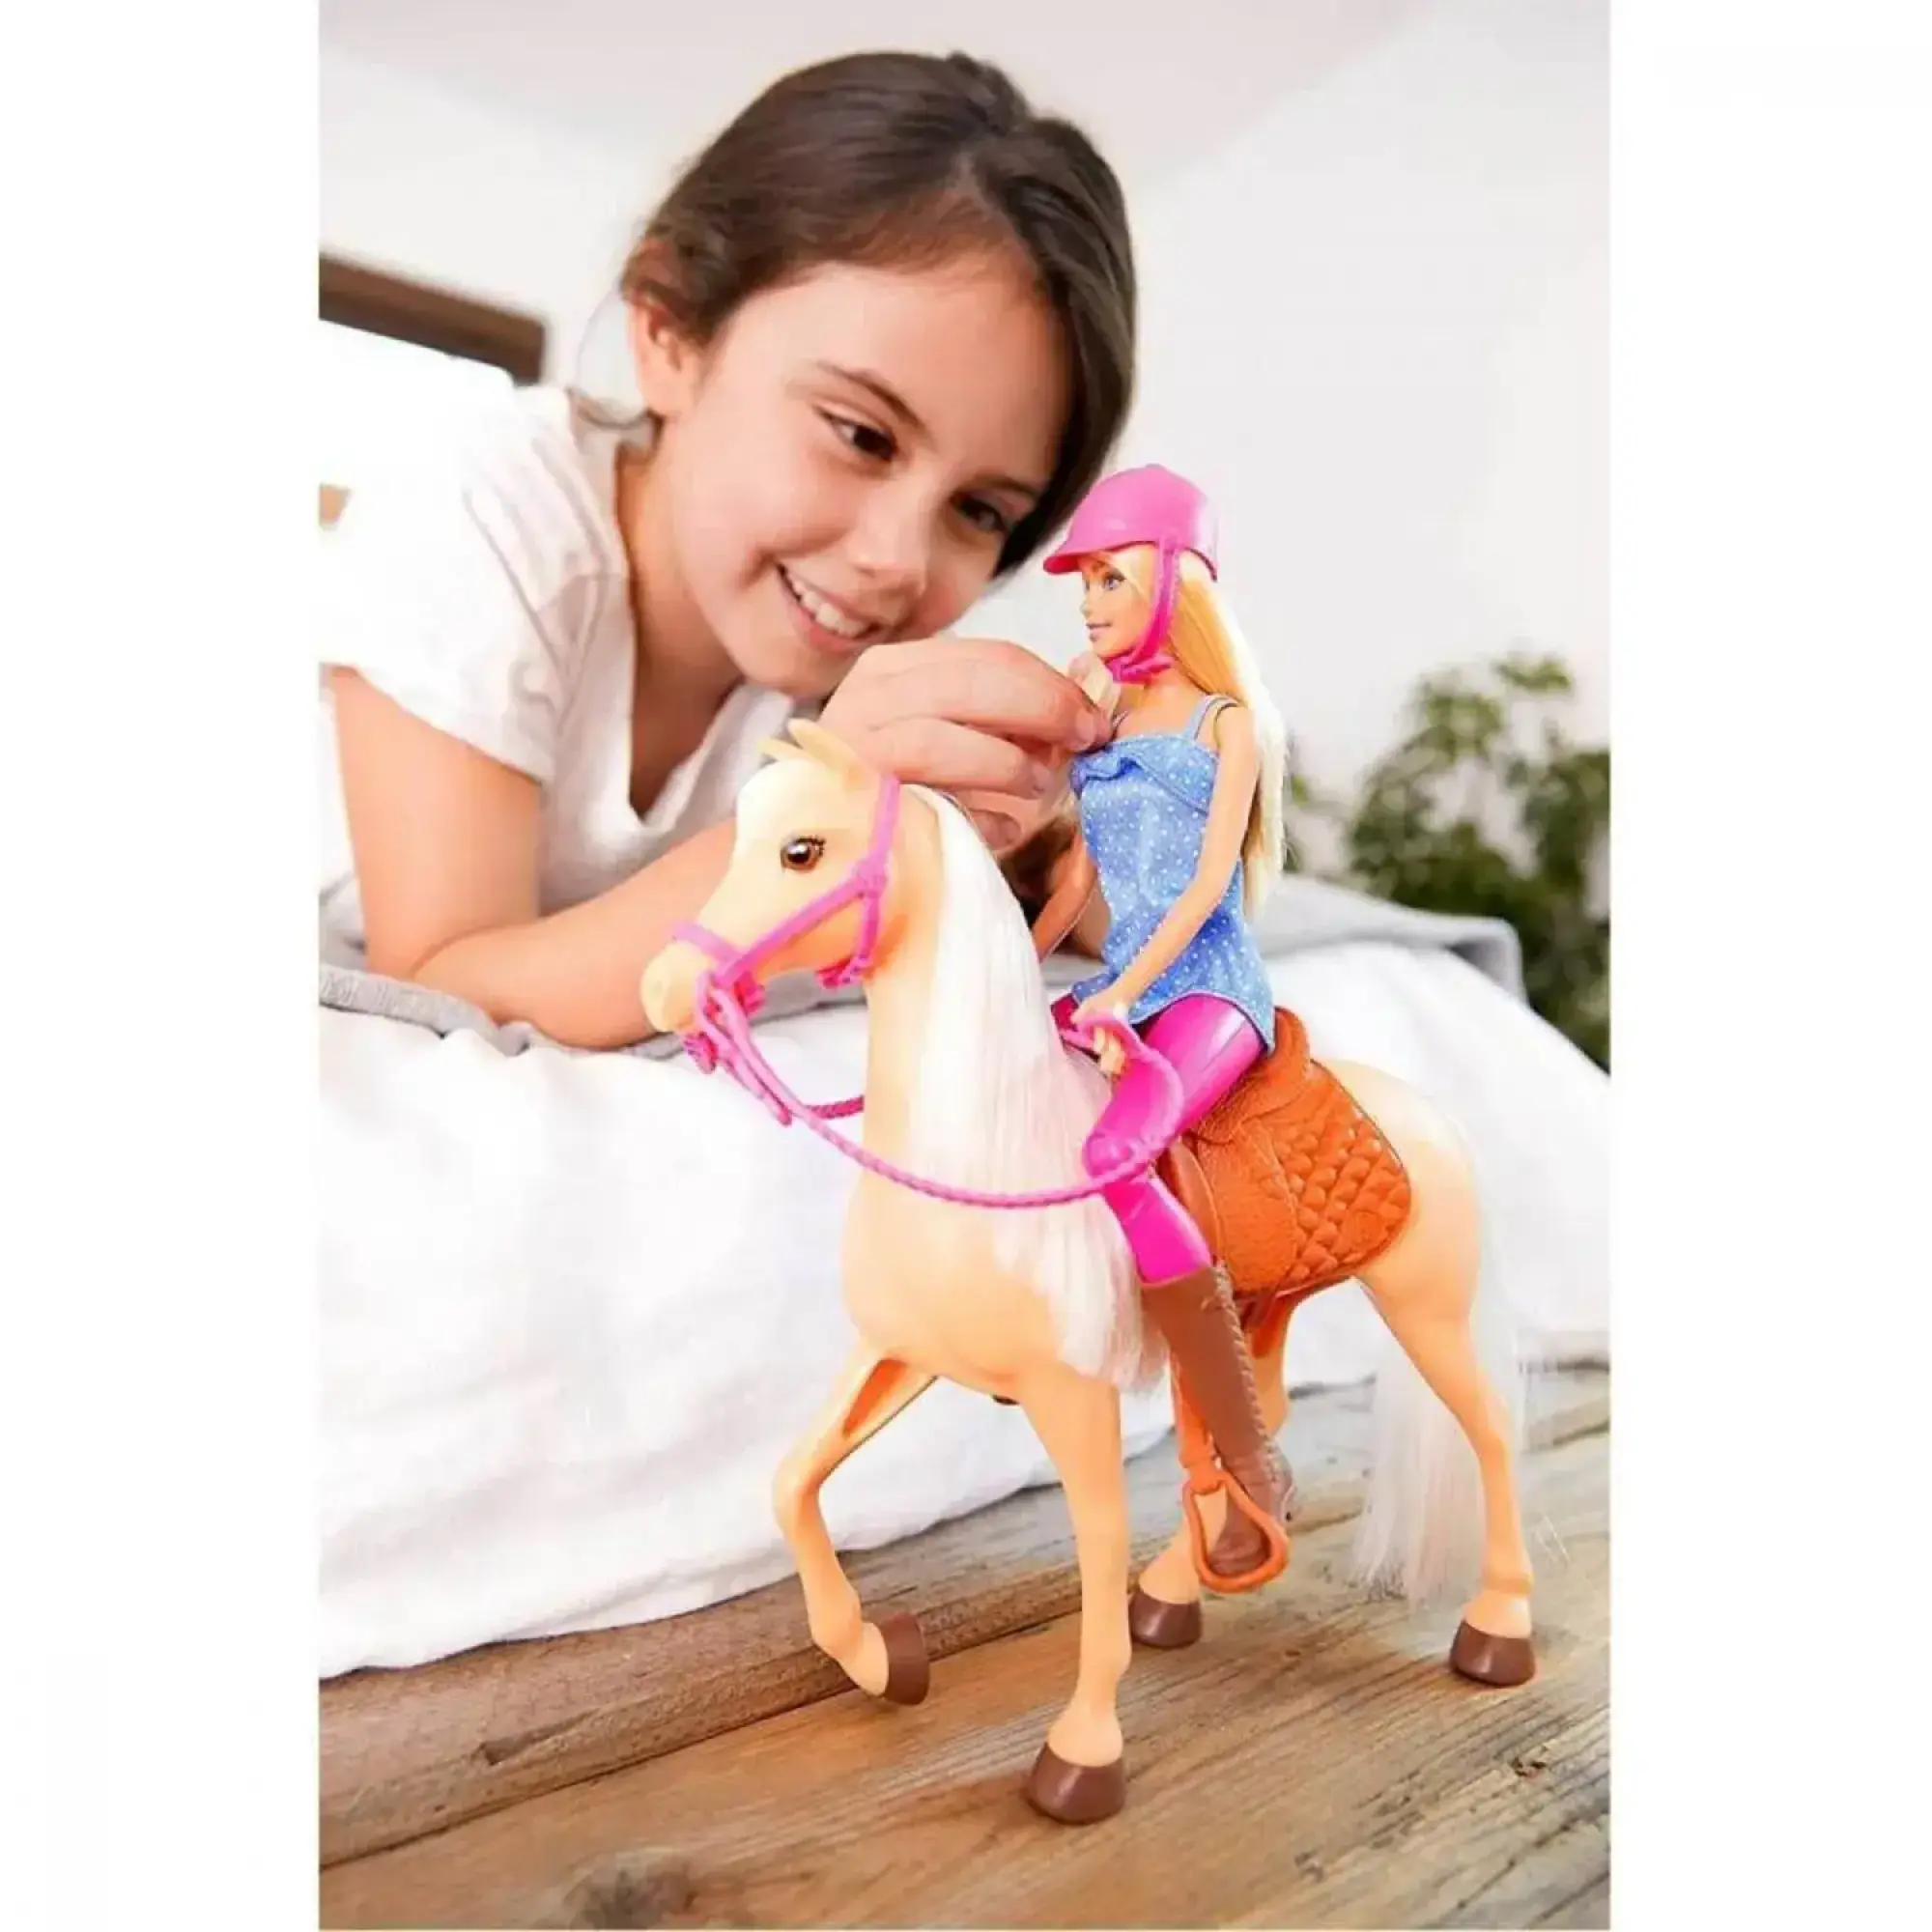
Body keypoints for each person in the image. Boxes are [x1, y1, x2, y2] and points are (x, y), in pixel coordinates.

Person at [320, 49, 1133, 1048]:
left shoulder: (838, 658)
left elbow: (1070, 915)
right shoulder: (483, 504)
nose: (900, 562)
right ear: (667, 332)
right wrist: (822, 813)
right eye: (861, 435)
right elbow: (434, 984)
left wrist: (1085, 840)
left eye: (979, 510)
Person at [1025, 465, 1295, 1587]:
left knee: (1113, 1148)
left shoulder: (1229, 725)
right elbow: (1077, 872)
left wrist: (1117, 989)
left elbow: (1201, 891)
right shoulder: (1108, 716)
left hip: (1205, 988)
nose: (1088, 601)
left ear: (1172, 583)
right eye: (1082, 581)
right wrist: (1019, 968)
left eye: (1109, 577)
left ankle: (1243, 1447)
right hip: (1122, 983)